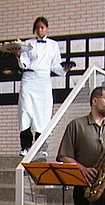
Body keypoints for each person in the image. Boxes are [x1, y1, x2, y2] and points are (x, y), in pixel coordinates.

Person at [15, 17, 71, 156]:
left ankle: (41, 147)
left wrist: (65, 69)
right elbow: (24, 64)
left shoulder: (53, 45)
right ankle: (25, 146)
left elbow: (55, 65)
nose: (40, 30)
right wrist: (18, 55)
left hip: (44, 80)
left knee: (43, 114)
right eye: (38, 27)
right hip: (29, 79)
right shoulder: (28, 43)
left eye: (42, 27)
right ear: (35, 29)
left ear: (47, 28)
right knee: (25, 111)